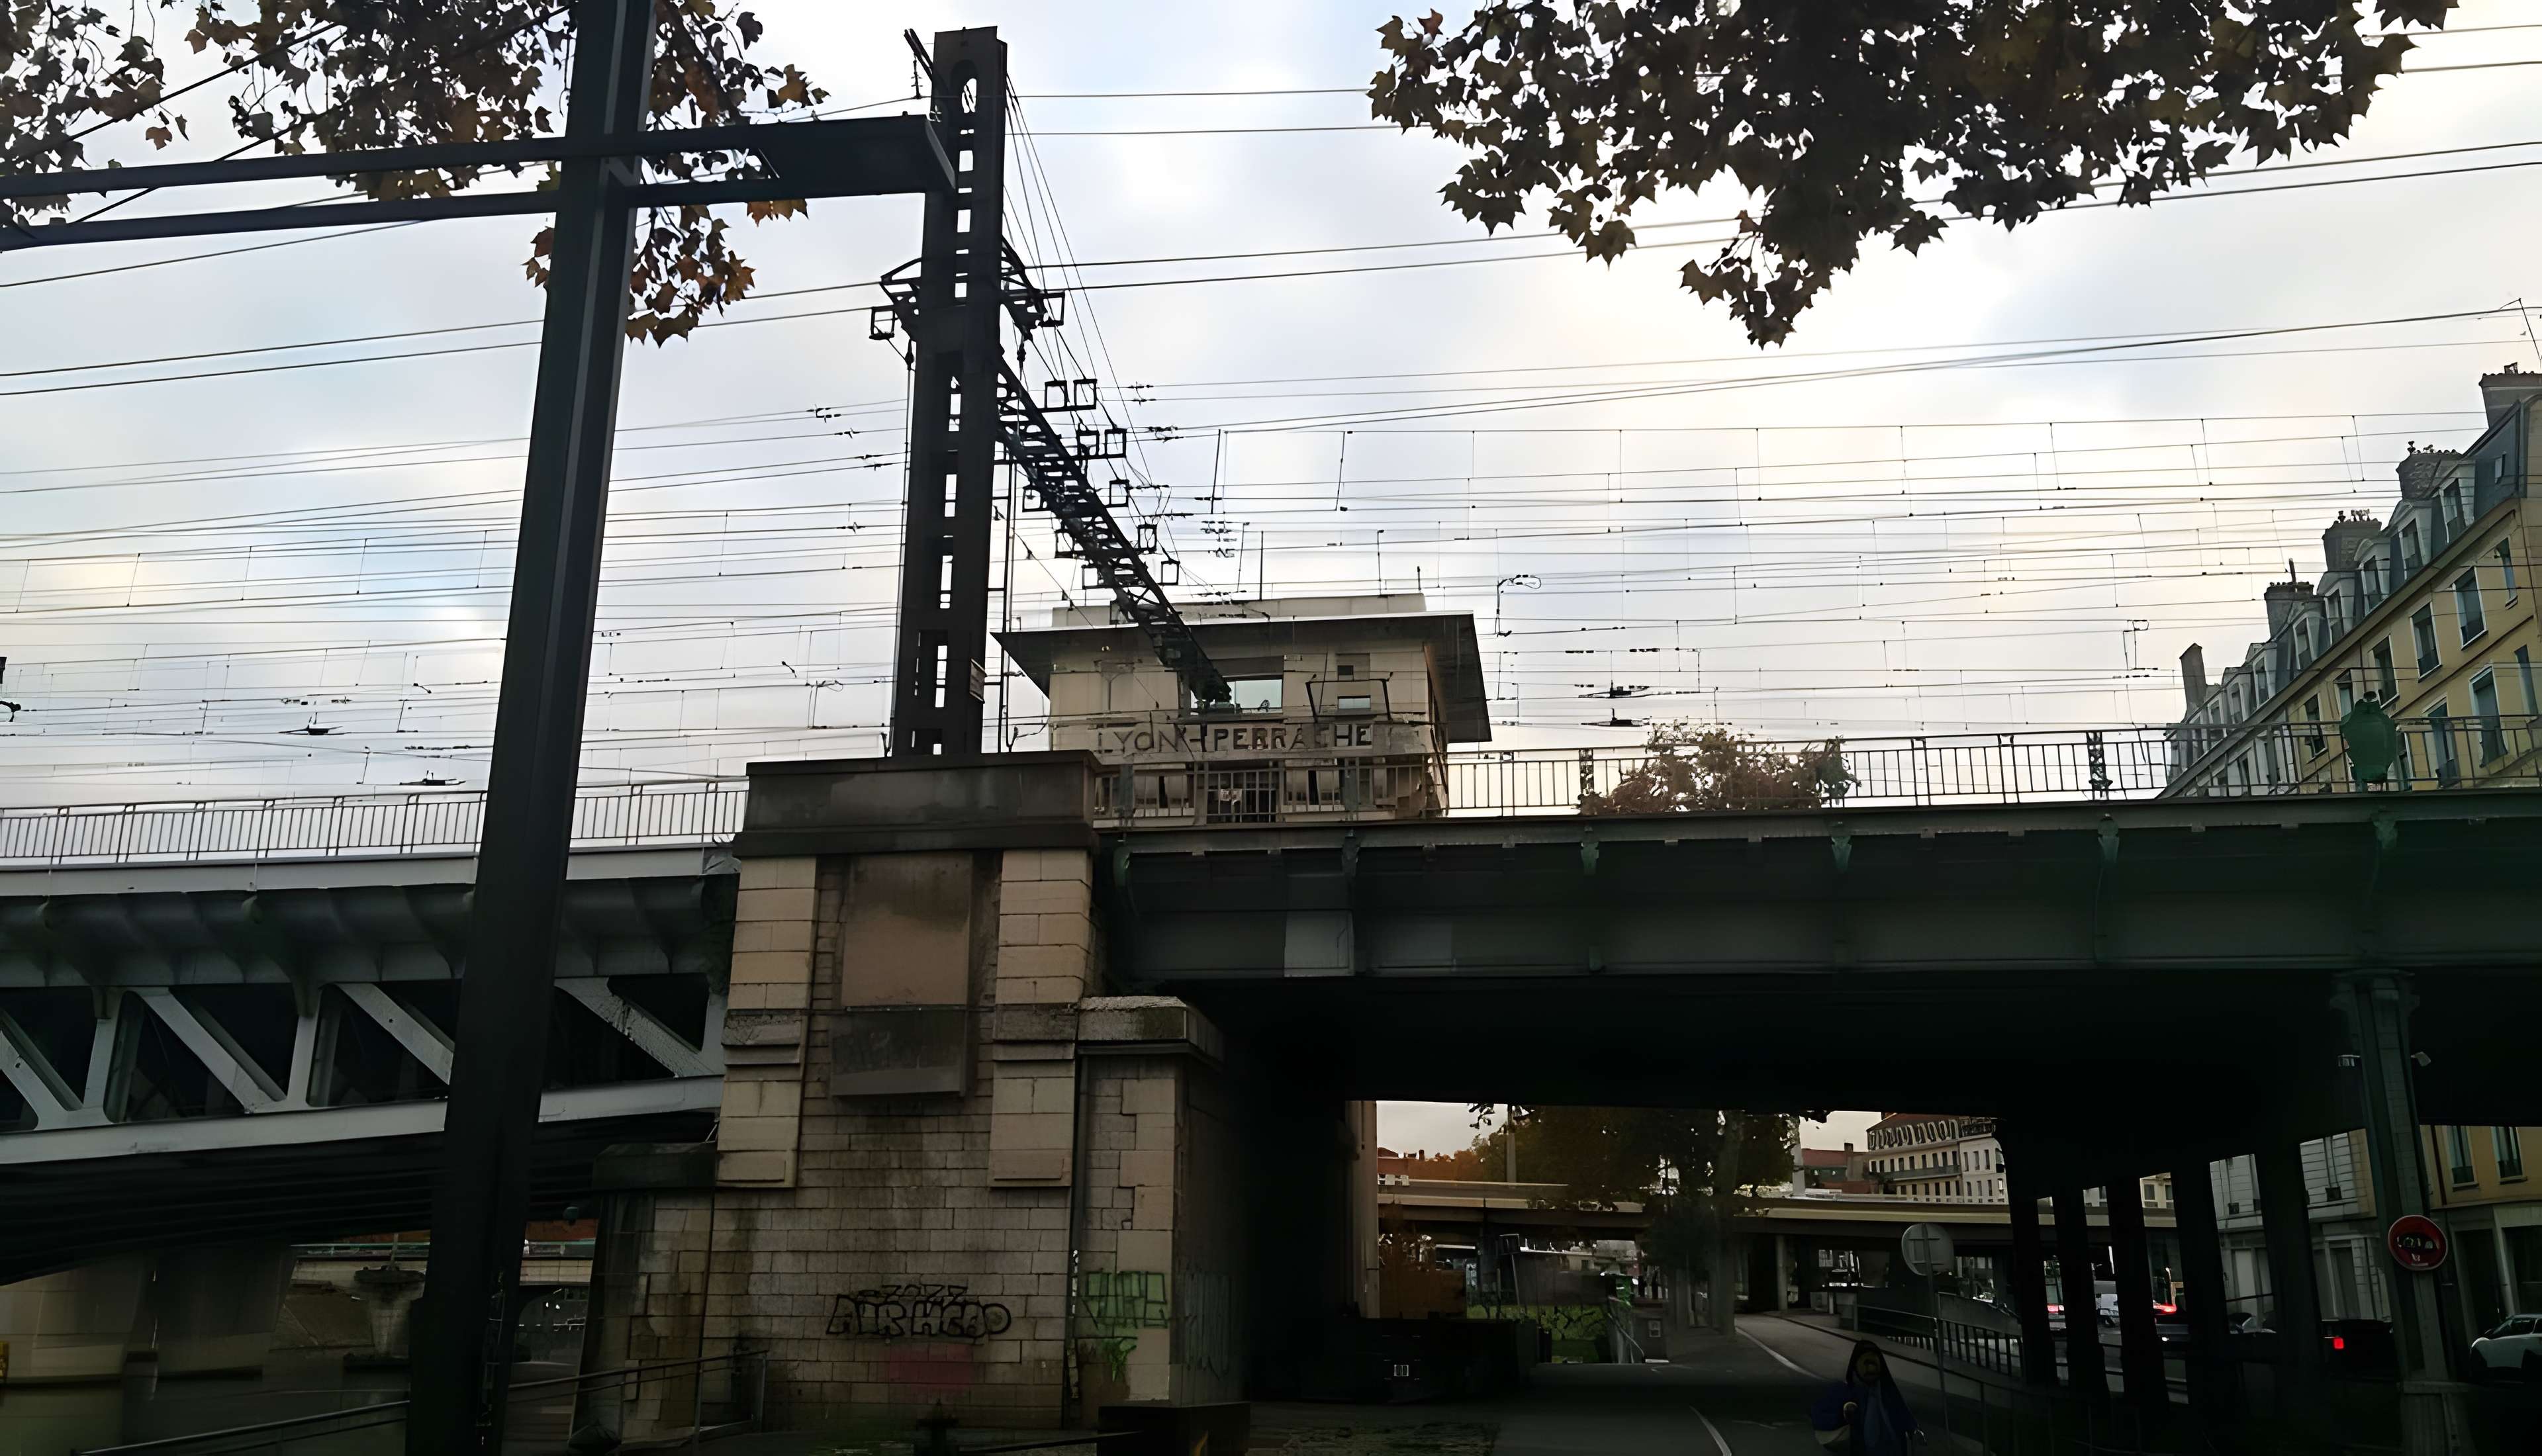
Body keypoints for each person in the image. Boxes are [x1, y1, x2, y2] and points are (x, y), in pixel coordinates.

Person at [1809, 1340, 1923, 1453]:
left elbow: (1902, 1411)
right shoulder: (1844, 1391)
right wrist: (1842, 1416)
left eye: (1874, 1364)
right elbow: (1819, 1416)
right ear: (1856, 1365)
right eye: (1866, 1364)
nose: (1871, 1370)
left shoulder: (1887, 1391)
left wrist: (1914, 1429)